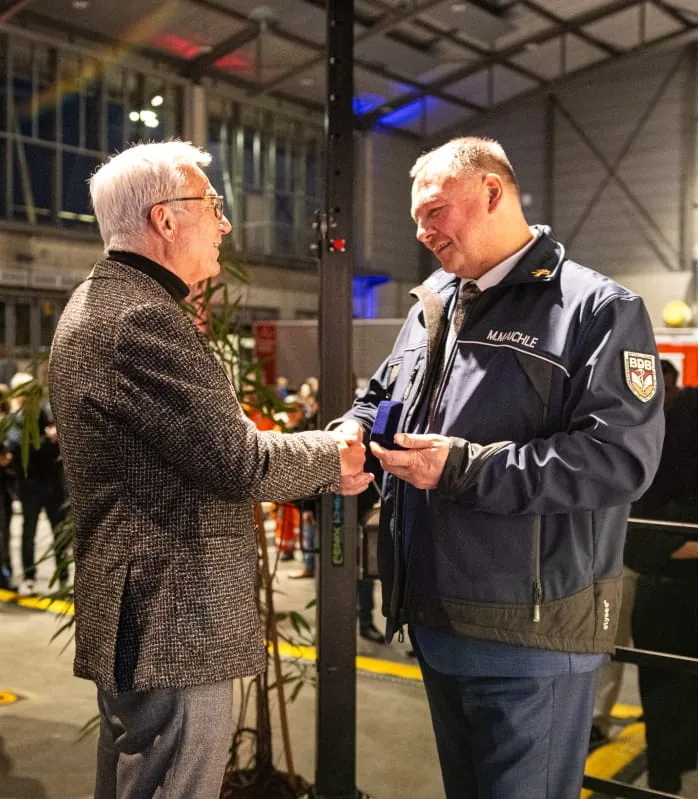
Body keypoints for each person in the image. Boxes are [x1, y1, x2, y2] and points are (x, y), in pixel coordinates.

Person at [335, 136, 664, 799]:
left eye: (435, 211)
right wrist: (354, 426)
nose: (424, 233)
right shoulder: (434, 304)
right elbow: (380, 394)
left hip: (530, 635)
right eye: (417, 221)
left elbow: (619, 458)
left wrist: (462, 467)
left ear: (493, 191)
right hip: (435, 618)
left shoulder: (597, 310)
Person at [47, 140, 371, 799]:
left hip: (145, 612)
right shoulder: (142, 317)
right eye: (212, 205)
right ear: (165, 219)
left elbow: (203, 447)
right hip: (172, 619)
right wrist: (336, 454)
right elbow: (240, 461)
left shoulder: (98, 303)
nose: (224, 223)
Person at [624, 359, 698, 795]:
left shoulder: (666, 428)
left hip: (664, 593)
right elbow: (644, 544)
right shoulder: (673, 431)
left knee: (667, 705)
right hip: (669, 596)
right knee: (668, 705)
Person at [4, 373, 68, 596]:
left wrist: (52, 438)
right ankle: (29, 578)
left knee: (58, 531)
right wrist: (48, 439)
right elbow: (19, 446)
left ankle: (64, 578)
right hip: (30, 484)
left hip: (51, 482)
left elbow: (59, 445)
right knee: (28, 532)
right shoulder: (18, 418)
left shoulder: (45, 413)